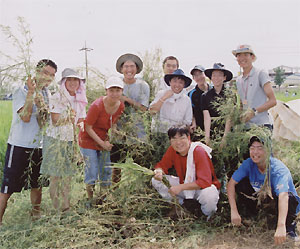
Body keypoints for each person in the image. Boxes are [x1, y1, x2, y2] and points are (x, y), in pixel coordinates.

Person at [0, 59, 57, 225]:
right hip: (19, 145)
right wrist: (32, 94)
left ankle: (35, 215)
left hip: (38, 146)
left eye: (52, 75)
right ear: (37, 71)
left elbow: (44, 123)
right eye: (45, 73)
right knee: (7, 188)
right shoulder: (21, 90)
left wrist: (43, 107)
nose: (48, 78)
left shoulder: (47, 93)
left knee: (37, 184)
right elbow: (25, 117)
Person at [227, 135, 300, 245]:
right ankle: (253, 215)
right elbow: (231, 184)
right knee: (240, 184)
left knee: (289, 197)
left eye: (260, 148)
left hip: (282, 202)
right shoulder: (249, 164)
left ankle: (288, 226)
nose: (255, 152)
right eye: (252, 148)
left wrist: (281, 226)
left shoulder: (278, 169)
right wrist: (233, 210)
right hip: (264, 198)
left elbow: (283, 197)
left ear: (268, 150)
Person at [40, 68, 87, 211]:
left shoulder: (80, 99)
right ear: (64, 82)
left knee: (67, 176)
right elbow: (55, 120)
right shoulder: (57, 97)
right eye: (70, 80)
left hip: (70, 141)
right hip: (55, 140)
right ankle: (56, 209)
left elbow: (81, 119)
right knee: (56, 177)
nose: (73, 83)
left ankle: (65, 208)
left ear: (80, 83)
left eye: (76, 80)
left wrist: (81, 123)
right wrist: (69, 118)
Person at [152, 125, 220, 219]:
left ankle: (206, 215)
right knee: (156, 180)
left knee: (210, 195)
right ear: (170, 141)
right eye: (174, 139)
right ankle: (181, 205)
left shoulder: (198, 151)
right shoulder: (172, 150)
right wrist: (158, 172)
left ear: (188, 138)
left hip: (202, 189)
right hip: (185, 185)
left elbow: (205, 181)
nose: (178, 142)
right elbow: (162, 165)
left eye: (182, 138)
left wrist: (179, 187)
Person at [79, 76, 125, 206]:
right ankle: (90, 201)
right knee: (92, 171)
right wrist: (102, 144)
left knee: (106, 170)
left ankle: (104, 200)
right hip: (88, 139)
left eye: (118, 90)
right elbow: (88, 127)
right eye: (112, 90)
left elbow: (113, 122)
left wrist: (115, 132)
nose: (115, 94)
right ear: (106, 91)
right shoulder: (97, 105)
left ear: (122, 91)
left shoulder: (120, 106)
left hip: (103, 139)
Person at [110, 54, 150, 182]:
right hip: (118, 131)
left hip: (137, 132)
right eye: (126, 66)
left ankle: (141, 191)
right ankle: (113, 193)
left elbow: (144, 108)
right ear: (121, 69)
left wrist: (126, 99)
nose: (129, 69)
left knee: (140, 164)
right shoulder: (116, 83)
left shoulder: (143, 85)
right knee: (116, 165)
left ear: (137, 69)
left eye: (132, 66)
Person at [149, 69, 193, 161]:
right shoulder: (161, 93)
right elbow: (152, 111)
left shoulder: (186, 100)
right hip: (159, 134)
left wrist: (178, 135)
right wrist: (164, 98)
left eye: (181, 82)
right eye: (175, 81)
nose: (177, 85)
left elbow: (187, 121)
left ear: (184, 85)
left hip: (176, 138)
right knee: (157, 160)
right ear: (170, 82)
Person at [232, 45, 277, 130]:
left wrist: (254, 112)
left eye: (245, 54)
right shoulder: (238, 80)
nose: (242, 58)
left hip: (262, 125)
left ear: (252, 57)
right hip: (246, 127)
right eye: (239, 55)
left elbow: (273, 101)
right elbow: (242, 104)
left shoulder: (260, 74)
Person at [202, 63, 233, 146]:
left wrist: (225, 138)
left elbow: (229, 117)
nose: (216, 78)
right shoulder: (205, 96)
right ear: (211, 78)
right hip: (212, 132)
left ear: (224, 77)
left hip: (227, 133)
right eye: (214, 75)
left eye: (219, 75)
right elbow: (206, 117)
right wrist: (207, 137)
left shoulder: (230, 95)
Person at [188, 65, 210, 134]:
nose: (198, 77)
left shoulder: (213, 90)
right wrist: (193, 123)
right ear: (193, 78)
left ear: (205, 75)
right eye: (195, 75)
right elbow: (191, 112)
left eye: (200, 74)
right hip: (199, 130)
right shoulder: (191, 94)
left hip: (215, 128)